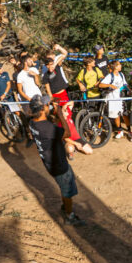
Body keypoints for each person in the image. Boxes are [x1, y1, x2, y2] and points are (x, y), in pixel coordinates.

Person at [27, 95, 87, 227]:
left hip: (49, 163)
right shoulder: (48, 128)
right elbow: (67, 133)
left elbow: (49, 126)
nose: (48, 105)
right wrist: (60, 113)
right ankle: (69, 216)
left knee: (65, 186)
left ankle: (65, 206)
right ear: (42, 109)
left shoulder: (33, 123)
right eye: (46, 105)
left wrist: (52, 105)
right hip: (59, 165)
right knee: (68, 190)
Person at [98, 60, 128, 139]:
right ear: (115, 67)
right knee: (116, 116)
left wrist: (129, 90)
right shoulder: (109, 76)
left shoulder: (121, 74)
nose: (121, 65)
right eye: (119, 64)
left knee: (124, 114)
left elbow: (125, 84)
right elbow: (101, 85)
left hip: (121, 97)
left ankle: (129, 131)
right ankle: (120, 131)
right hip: (113, 99)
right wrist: (110, 85)